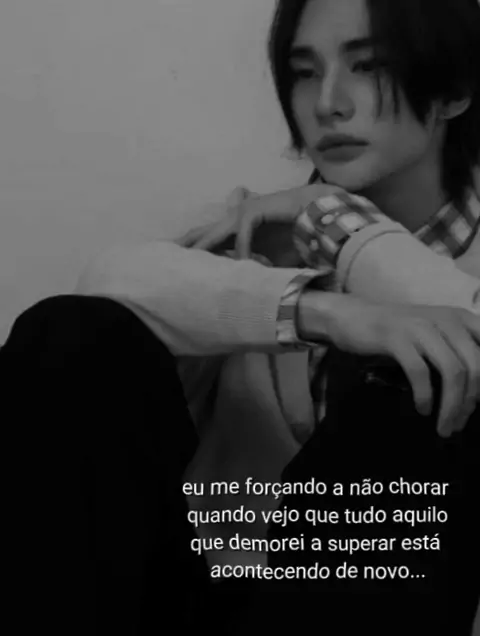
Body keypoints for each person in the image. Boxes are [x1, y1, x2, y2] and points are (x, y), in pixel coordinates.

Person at [2, 0, 480, 633]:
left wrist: (342, 226)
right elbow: (107, 282)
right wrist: (323, 311)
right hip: (192, 591)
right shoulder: (258, 232)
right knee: (70, 336)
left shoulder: (323, 221)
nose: (327, 103)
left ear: (454, 88)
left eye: (369, 66)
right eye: (304, 72)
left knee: (431, 379)